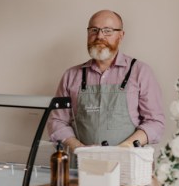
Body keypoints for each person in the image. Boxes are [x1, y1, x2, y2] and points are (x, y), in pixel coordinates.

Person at [48, 10, 165, 152]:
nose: (99, 36)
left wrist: (125, 147)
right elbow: (57, 122)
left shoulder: (140, 72)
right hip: (82, 166)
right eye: (94, 30)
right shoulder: (71, 75)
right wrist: (79, 149)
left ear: (121, 35)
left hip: (128, 165)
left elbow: (155, 123)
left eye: (107, 31)